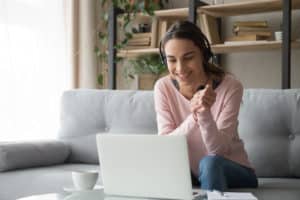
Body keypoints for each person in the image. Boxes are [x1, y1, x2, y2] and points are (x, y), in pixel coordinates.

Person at [154, 20, 258, 191]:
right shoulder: (163, 87)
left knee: (210, 164)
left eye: (188, 57)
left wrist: (204, 113)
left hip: (232, 168)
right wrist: (194, 116)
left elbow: (218, 150)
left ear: (203, 54)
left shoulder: (231, 86)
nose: (180, 68)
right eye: (172, 60)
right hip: (191, 173)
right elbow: (166, 146)